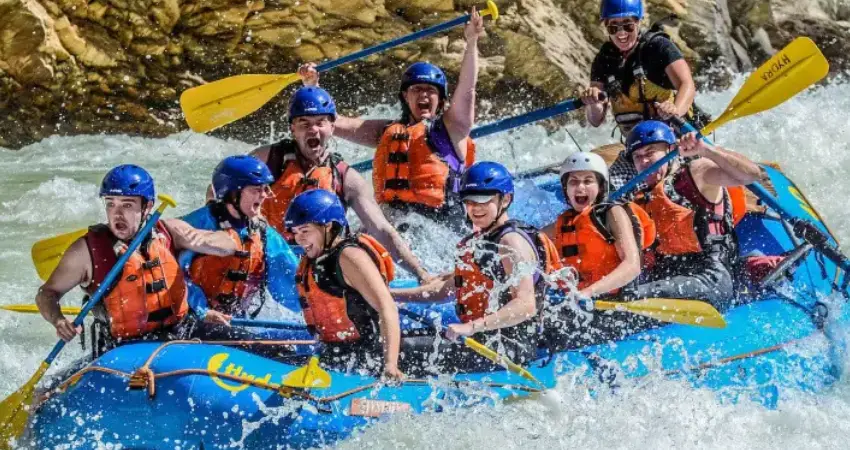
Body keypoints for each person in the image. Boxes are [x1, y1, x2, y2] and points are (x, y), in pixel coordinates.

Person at [297, 7, 485, 229]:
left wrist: (471, 42)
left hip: (440, 225)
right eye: (417, 89)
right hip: (393, 222)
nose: (424, 94)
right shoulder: (387, 131)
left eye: (430, 90)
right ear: (406, 96)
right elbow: (333, 123)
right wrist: (312, 86)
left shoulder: (452, 128)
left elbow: (467, 89)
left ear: (441, 99)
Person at [35, 165, 238, 353]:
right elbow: (47, 293)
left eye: (127, 205)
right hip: (126, 349)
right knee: (43, 393)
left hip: (183, 331)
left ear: (147, 206)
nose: (117, 214)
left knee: (260, 346)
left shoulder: (168, 231)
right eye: (111, 204)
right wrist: (58, 320)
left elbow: (229, 245)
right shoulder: (87, 251)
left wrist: (197, 240)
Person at [248, 86, 432, 282]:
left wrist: (421, 274)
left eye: (321, 123)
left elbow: (381, 230)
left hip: (318, 268)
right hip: (270, 258)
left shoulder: (346, 178)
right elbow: (219, 195)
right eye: (304, 123)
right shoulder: (266, 160)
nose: (313, 130)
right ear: (292, 128)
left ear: (332, 127)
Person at [392, 162, 561, 372]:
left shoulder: (511, 243)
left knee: (398, 349)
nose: (475, 208)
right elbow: (446, 290)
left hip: (508, 348)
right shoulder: (482, 240)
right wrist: (392, 295)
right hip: (483, 338)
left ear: (505, 200)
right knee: (392, 339)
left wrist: (470, 327)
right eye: (469, 201)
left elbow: (525, 305)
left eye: (483, 200)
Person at [623, 121, 762, 309]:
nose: (644, 162)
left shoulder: (696, 173)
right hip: (668, 280)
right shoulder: (638, 199)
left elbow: (752, 175)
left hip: (709, 279)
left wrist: (706, 151)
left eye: (650, 153)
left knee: (628, 298)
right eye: (638, 157)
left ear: (670, 150)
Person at [581, 0, 710, 190]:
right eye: (613, 27)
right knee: (607, 192)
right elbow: (596, 119)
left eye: (627, 25)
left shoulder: (658, 47)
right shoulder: (604, 59)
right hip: (637, 151)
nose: (621, 33)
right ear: (606, 26)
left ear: (638, 22)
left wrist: (676, 109)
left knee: (678, 190)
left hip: (678, 141)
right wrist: (592, 102)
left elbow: (687, 84)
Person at [285, 189, 405, 380]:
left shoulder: (349, 257)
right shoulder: (314, 259)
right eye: (296, 232)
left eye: (305, 231)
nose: (299, 239)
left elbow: (386, 307)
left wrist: (390, 364)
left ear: (329, 227)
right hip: (338, 352)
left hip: (368, 354)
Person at [181, 155, 300, 333]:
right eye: (256, 189)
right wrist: (201, 310)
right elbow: (173, 275)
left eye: (265, 189)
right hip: (190, 319)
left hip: (234, 322)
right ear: (232, 193)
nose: (265, 195)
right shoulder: (196, 224)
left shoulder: (263, 234)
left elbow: (291, 285)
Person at [544, 151, 655, 298]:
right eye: (573, 182)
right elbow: (531, 240)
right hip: (583, 298)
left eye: (588, 181)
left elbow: (632, 265)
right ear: (566, 189)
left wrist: (589, 292)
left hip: (621, 299)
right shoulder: (563, 222)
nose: (580, 187)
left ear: (600, 187)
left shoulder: (612, 213)